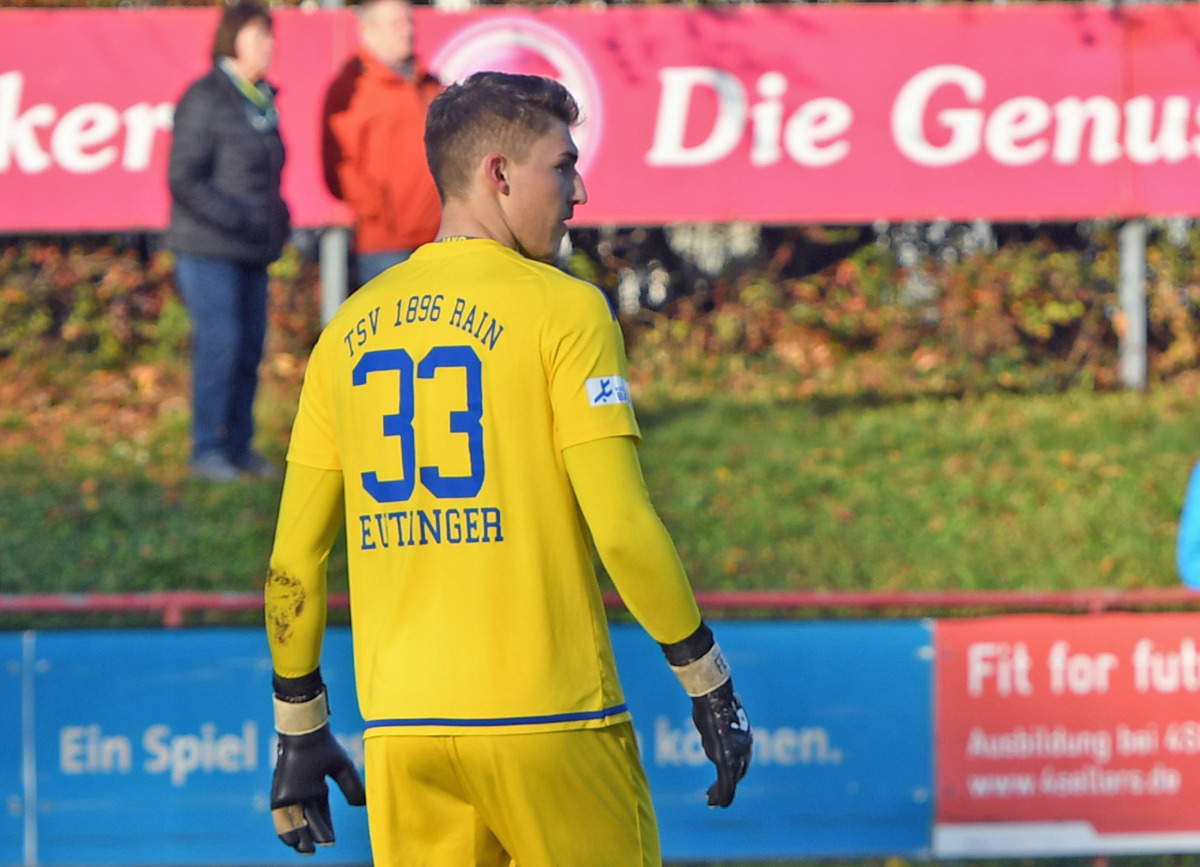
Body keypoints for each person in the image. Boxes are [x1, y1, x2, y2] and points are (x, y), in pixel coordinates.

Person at [263, 71, 752, 866]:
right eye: (562, 165)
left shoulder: (344, 332)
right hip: (552, 721)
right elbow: (623, 529)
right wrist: (708, 678)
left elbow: (292, 563)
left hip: (404, 736)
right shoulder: (565, 309)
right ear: (498, 172)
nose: (580, 189)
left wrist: (299, 724)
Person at [166, 0, 289, 482]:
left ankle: (240, 446)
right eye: (258, 35)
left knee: (249, 347)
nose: (269, 45)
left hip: (251, 249)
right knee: (220, 344)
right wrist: (238, 218)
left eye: (270, 35)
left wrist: (276, 218)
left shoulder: (261, 99)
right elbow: (184, 179)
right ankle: (208, 449)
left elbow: (263, 177)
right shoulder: (206, 97)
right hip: (207, 247)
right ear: (232, 40)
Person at [320, 0, 442, 288]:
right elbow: (339, 165)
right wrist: (379, 213)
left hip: (439, 239)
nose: (407, 30)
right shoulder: (351, 88)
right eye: (396, 23)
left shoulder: (430, 84)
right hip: (386, 247)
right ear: (368, 30)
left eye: (409, 21)